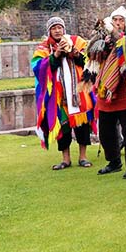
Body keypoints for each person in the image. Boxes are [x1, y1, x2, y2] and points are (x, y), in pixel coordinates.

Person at [32, 17, 96, 169]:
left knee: (82, 126)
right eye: (54, 28)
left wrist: (74, 52)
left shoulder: (77, 41)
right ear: (49, 31)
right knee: (63, 128)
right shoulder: (44, 48)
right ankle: (65, 159)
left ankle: (83, 156)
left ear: (64, 29)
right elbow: (38, 68)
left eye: (59, 27)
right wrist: (55, 55)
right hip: (59, 96)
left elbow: (88, 61)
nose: (57, 30)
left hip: (80, 93)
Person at [92, 6, 126, 179]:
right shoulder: (105, 40)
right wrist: (103, 45)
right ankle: (114, 161)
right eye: (115, 20)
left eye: (122, 20)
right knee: (105, 132)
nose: (118, 23)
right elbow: (92, 56)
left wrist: (115, 35)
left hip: (125, 90)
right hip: (106, 91)